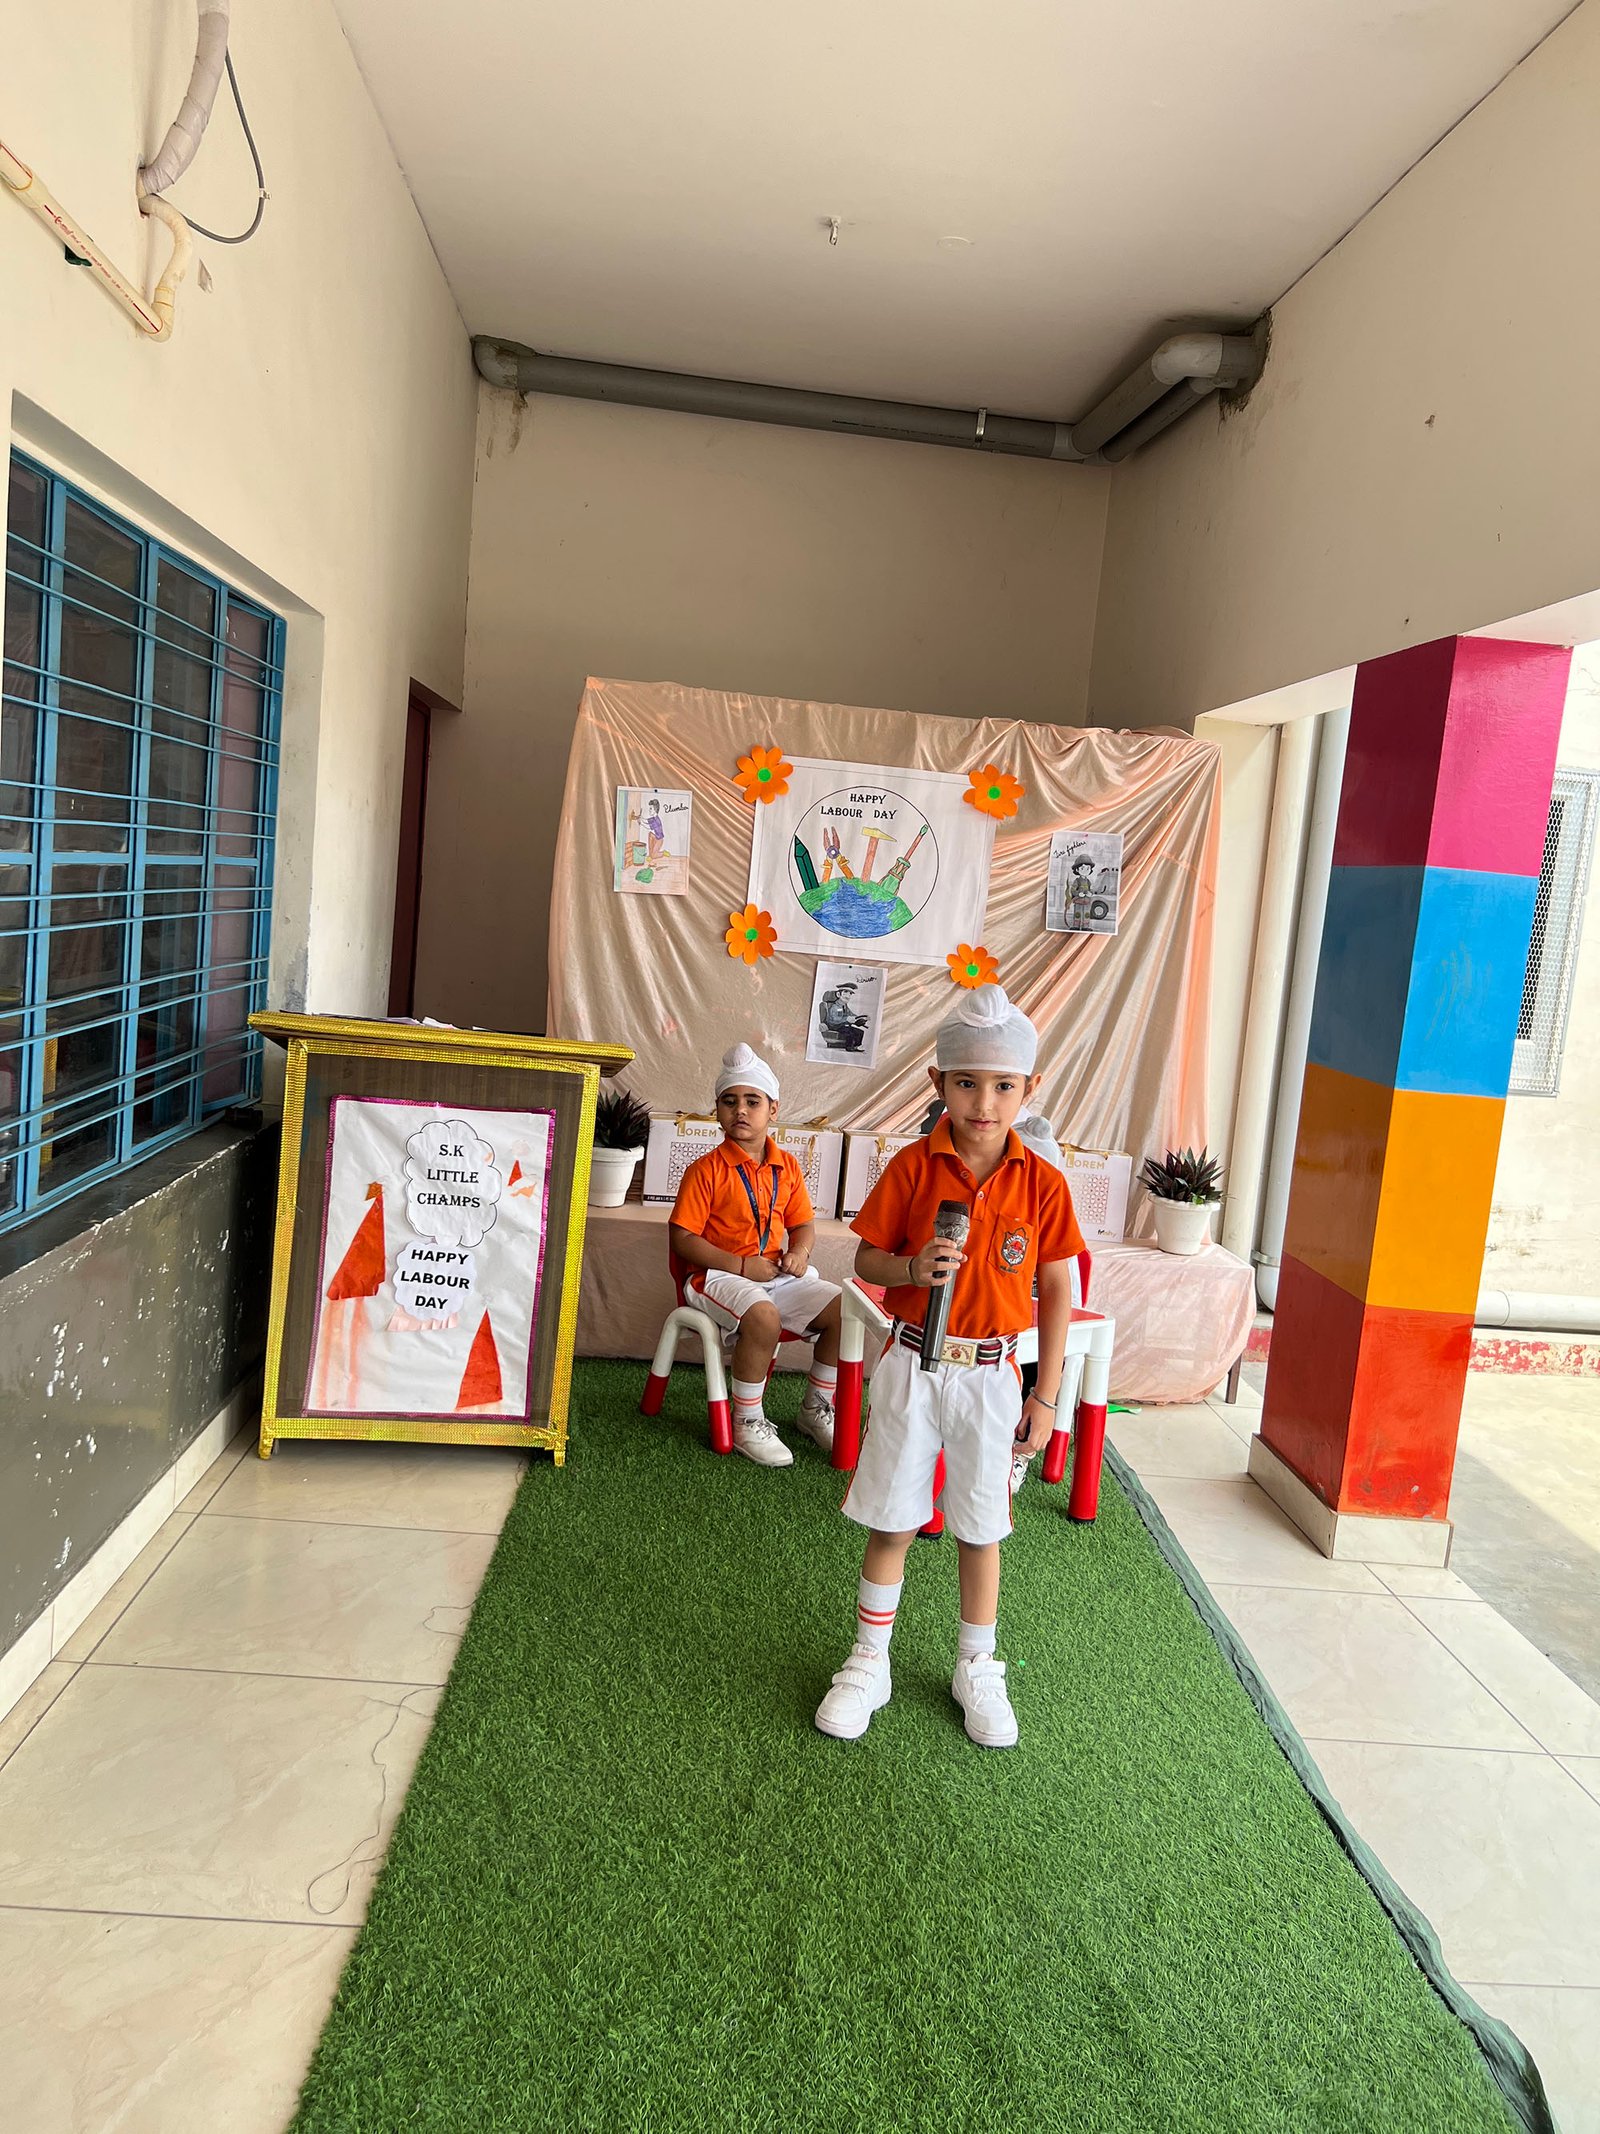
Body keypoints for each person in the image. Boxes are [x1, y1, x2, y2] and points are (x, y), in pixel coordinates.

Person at [814, 985, 1085, 1747]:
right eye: (966, 1082)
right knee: (894, 1519)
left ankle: (976, 1665)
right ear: (938, 1083)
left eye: (1003, 1086)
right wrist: (909, 1268)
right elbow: (865, 1258)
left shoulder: (1043, 1181)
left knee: (979, 1526)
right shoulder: (912, 1166)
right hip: (912, 1366)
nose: (984, 1103)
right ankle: (870, 1659)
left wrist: (1046, 1395)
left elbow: (1057, 1285)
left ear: (1030, 1088)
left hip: (994, 1376)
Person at [669, 1044, 843, 1467]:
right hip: (714, 1277)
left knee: (845, 1309)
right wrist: (742, 1266)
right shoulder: (705, 1170)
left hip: (772, 1275)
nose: (741, 1111)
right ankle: (747, 1419)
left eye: (753, 1101)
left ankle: (816, 1406)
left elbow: (803, 1225)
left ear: (773, 1109)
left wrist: (800, 1251)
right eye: (730, 1102)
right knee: (763, 1317)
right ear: (717, 1111)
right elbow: (683, 1239)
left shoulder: (789, 1167)